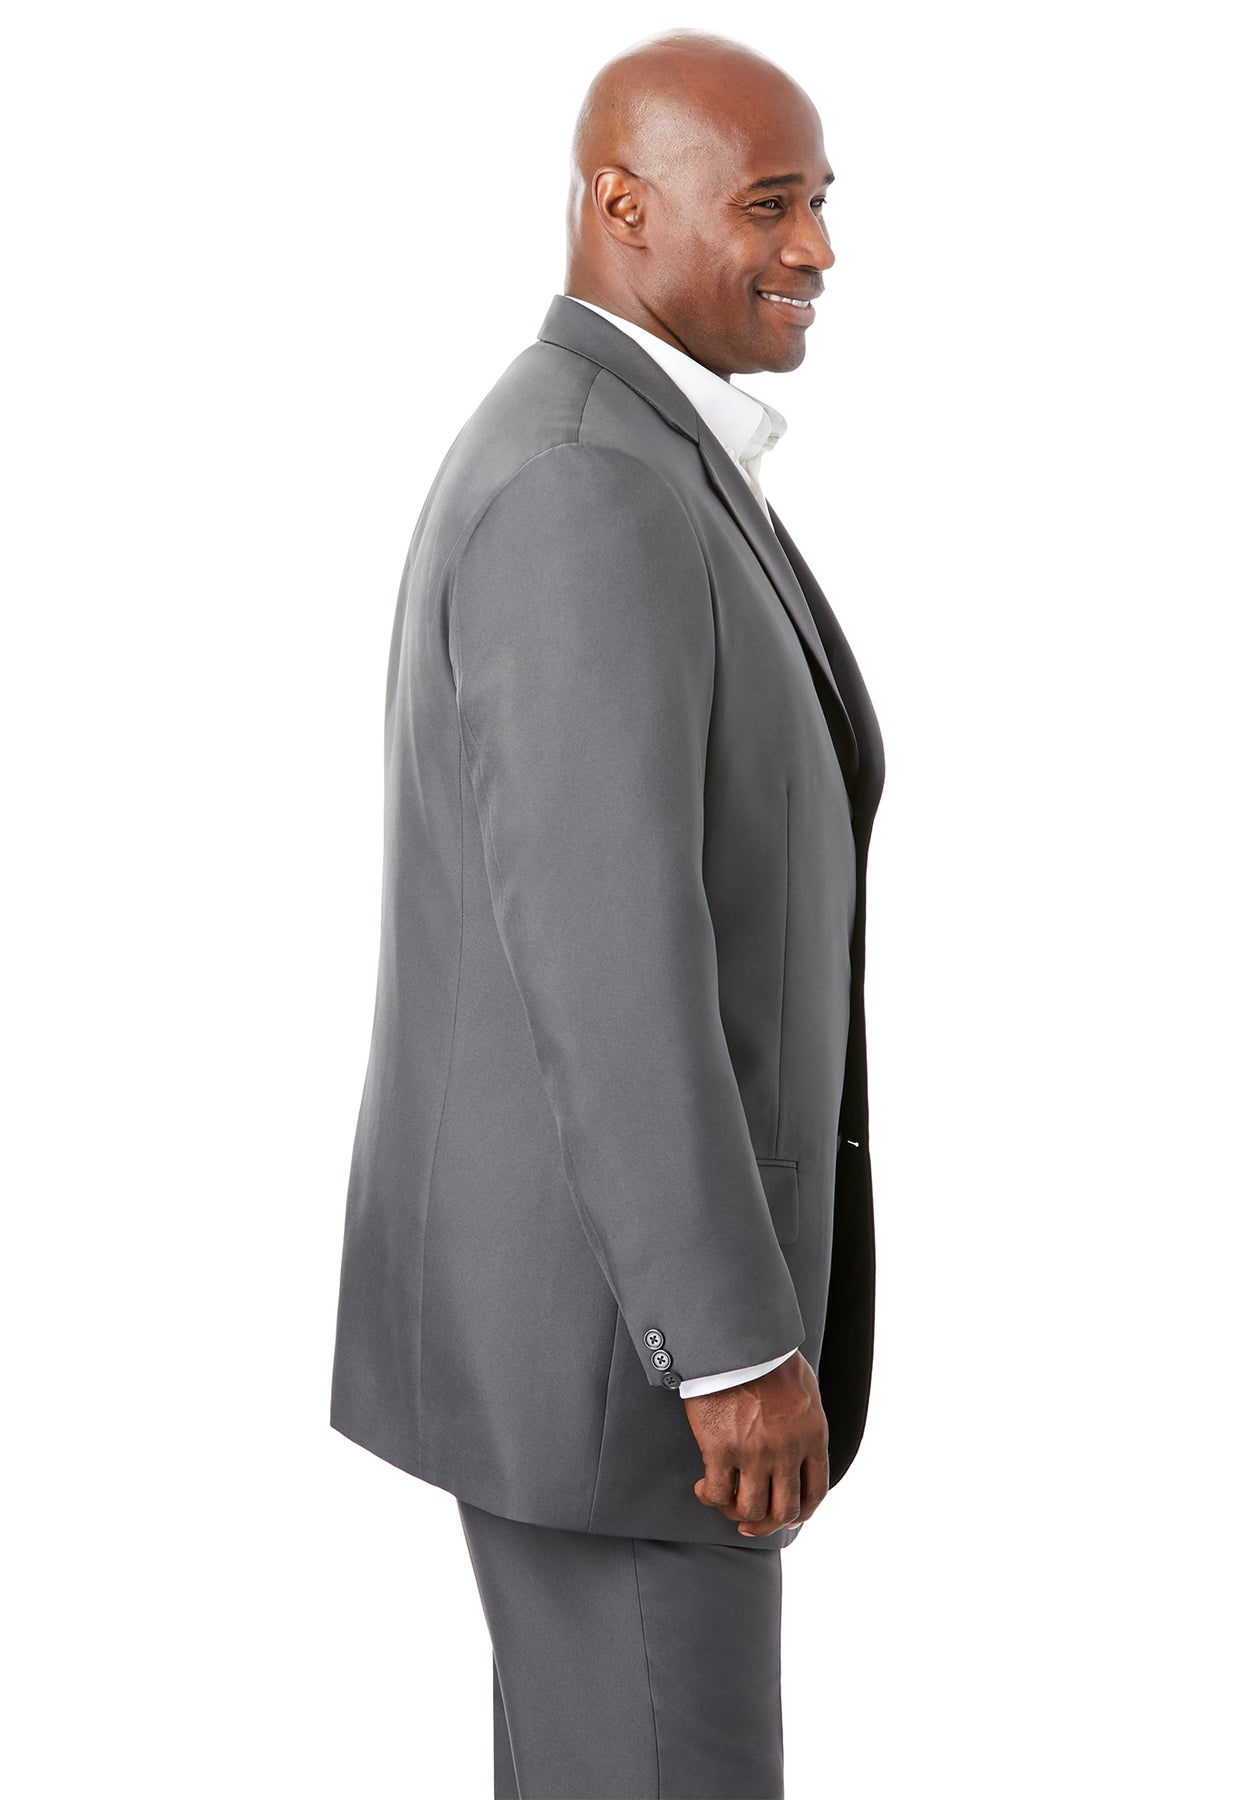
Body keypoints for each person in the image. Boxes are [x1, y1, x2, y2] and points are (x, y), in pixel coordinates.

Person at [331, 27, 885, 1798]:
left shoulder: (641, 451)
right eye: (772, 205)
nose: (817, 248)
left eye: (823, 203)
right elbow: (611, 961)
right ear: (621, 206)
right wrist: (729, 1346)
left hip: (592, 1343)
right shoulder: (586, 481)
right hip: (626, 1367)